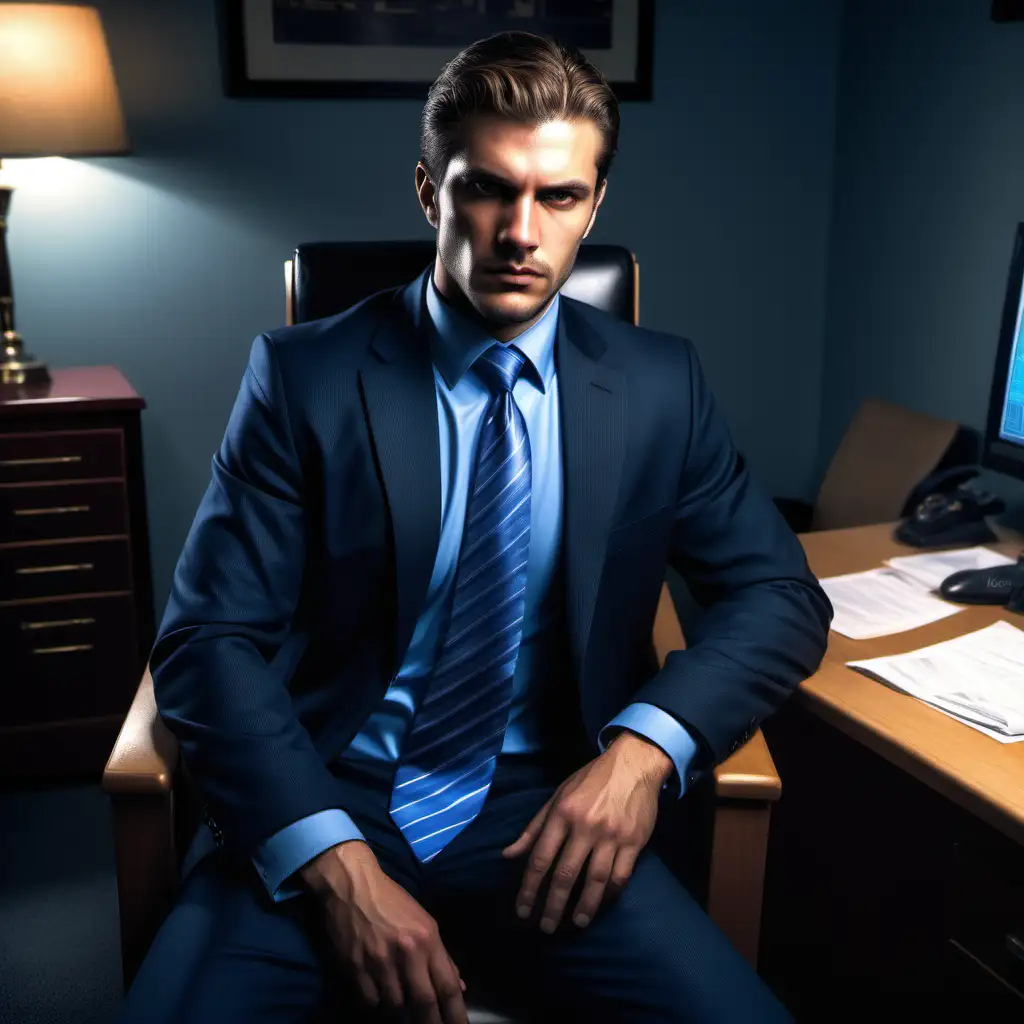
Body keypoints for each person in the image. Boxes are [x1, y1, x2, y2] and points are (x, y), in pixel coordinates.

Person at [119, 30, 831, 1024]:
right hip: (330, 794)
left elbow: (778, 594)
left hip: (551, 811)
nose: (521, 233)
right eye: (487, 189)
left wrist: (639, 757)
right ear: (428, 193)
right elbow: (206, 641)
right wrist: (336, 867)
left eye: (559, 197)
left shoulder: (660, 386)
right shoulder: (303, 379)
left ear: (595, 207)